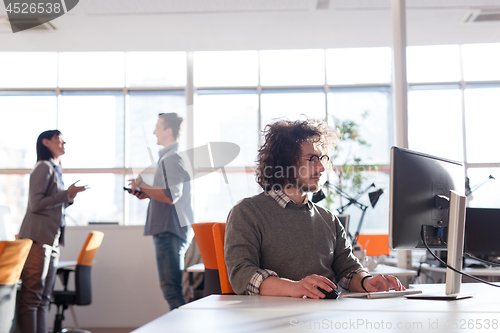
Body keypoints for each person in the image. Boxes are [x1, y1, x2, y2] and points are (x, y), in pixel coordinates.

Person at [225, 119, 405, 298]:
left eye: (322, 159)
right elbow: (242, 274)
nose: (320, 167)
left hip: (326, 318)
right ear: (285, 163)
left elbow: (348, 270)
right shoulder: (247, 212)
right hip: (273, 321)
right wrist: (295, 288)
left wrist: (366, 281)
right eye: (312, 159)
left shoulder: (329, 219)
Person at [18, 130, 86, 333]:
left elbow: (52, 205)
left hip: (51, 238)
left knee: (44, 298)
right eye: (60, 139)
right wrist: (65, 195)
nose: (64, 142)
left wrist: (68, 198)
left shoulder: (56, 169)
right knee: (32, 297)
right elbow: (36, 204)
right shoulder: (43, 167)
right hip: (38, 239)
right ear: (46, 142)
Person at [130, 113, 193, 310]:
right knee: (172, 289)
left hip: (169, 230)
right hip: (170, 228)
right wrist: (147, 193)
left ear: (168, 131)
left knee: (171, 289)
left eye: (157, 127)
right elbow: (168, 193)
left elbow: (171, 195)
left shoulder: (172, 158)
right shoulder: (171, 156)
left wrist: (142, 185)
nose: (153, 131)